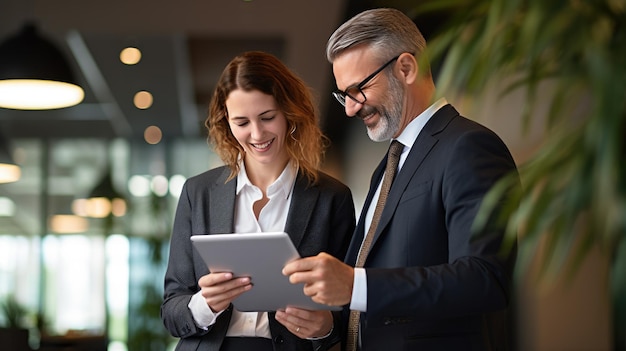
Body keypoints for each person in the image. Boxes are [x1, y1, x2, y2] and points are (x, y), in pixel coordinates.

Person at [282, 8, 520, 351]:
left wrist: (355, 285)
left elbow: (485, 279)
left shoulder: (469, 147)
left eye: (358, 89)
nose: (349, 108)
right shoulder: (389, 164)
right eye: (343, 95)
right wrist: (326, 325)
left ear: (406, 68)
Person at [161, 51, 355, 351]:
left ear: (289, 111)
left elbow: (349, 308)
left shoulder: (332, 198)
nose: (256, 134)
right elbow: (172, 312)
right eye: (241, 122)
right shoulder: (197, 193)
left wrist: (326, 327)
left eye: (267, 117)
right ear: (226, 122)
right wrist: (204, 305)